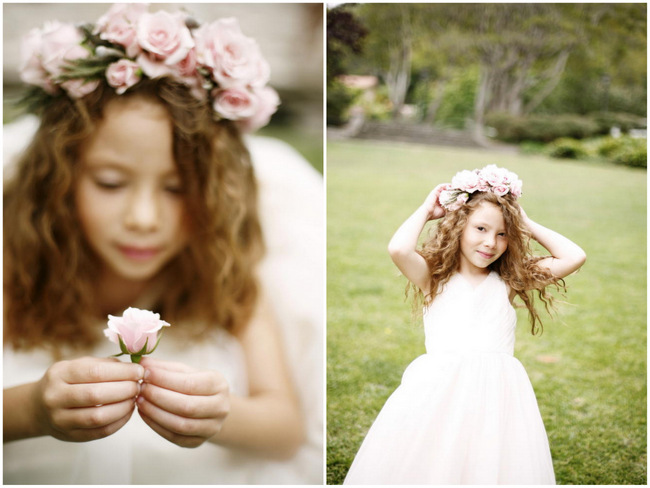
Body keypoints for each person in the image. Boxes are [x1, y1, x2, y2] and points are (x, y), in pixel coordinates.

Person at [3, 4, 323, 484]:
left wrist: (219, 414)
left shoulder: (226, 277)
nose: (144, 219)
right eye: (110, 183)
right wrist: (30, 410)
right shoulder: (15, 265)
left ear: (214, 192)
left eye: (177, 189)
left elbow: (285, 429)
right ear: (60, 179)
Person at [343, 165, 586, 485]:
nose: (491, 242)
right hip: (438, 388)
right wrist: (426, 210)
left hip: (498, 392)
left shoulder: (509, 281)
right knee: (435, 458)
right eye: (481, 229)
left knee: (488, 460)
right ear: (459, 226)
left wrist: (524, 223)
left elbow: (574, 256)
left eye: (502, 234)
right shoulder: (434, 278)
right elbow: (399, 249)